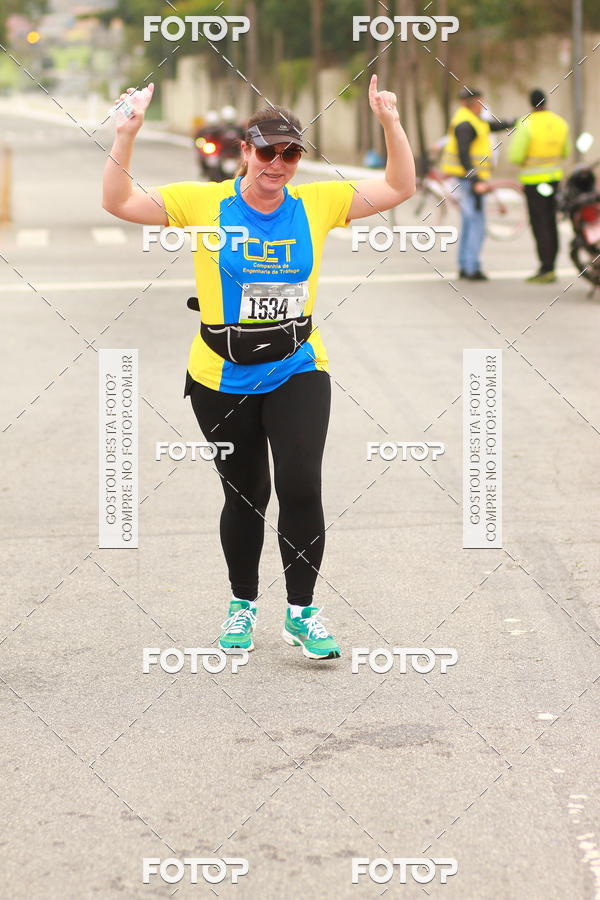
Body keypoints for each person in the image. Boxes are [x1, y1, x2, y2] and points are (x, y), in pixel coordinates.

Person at [101, 76, 415, 660]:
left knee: (301, 484)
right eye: (267, 151)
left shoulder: (318, 202)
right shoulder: (204, 202)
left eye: (290, 152)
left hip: (298, 364)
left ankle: (303, 611)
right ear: (245, 151)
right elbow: (117, 203)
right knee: (245, 495)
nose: (278, 163)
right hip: (221, 375)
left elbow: (400, 185)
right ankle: (242, 604)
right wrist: (128, 132)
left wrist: (390, 120)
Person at [440, 86, 515, 280]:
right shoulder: (465, 124)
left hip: (469, 180)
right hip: (470, 181)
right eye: (481, 102)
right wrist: (475, 181)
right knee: (476, 223)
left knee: (468, 221)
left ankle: (466, 265)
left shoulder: (474, 120)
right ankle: (471, 267)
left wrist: (515, 122)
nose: (484, 105)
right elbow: (464, 156)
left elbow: (491, 126)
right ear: (472, 103)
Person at [508, 89, 570, 284]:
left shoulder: (526, 123)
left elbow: (515, 156)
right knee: (551, 222)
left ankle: (546, 268)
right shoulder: (560, 122)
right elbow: (565, 152)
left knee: (540, 223)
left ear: (530, 103)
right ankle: (552, 265)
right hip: (554, 180)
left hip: (534, 183)